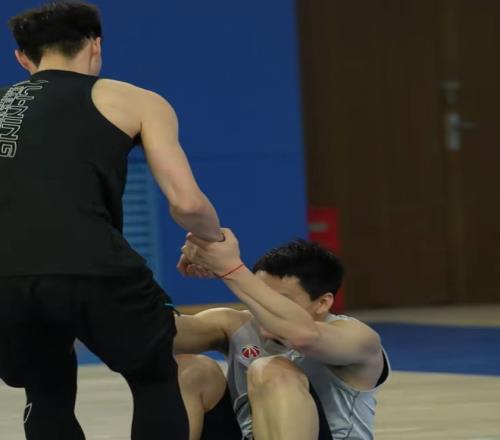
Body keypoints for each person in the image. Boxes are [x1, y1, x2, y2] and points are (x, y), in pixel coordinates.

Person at [0, 2, 224, 439]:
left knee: (44, 391)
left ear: (22, 58)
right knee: (155, 378)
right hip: (92, 266)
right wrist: (211, 242)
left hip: (5, 276)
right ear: (95, 45)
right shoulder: (135, 100)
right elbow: (187, 203)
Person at [174, 230, 390, 440]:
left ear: (323, 303)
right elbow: (166, 335)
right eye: (258, 296)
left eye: (279, 300)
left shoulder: (356, 337)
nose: (265, 309)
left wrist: (229, 269)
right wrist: (150, 286)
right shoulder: (235, 324)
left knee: (272, 369)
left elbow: (304, 336)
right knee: (191, 369)